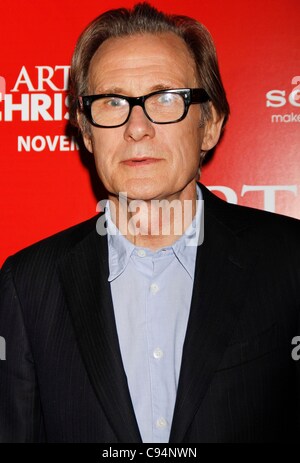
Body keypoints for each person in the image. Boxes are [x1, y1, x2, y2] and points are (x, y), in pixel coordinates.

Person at [0, 2, 299, 444]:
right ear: (86, 131)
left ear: (210, 124)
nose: (137, 127)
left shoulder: (290, 261)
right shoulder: (29, 285)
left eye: (165, 98)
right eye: (111, 101)